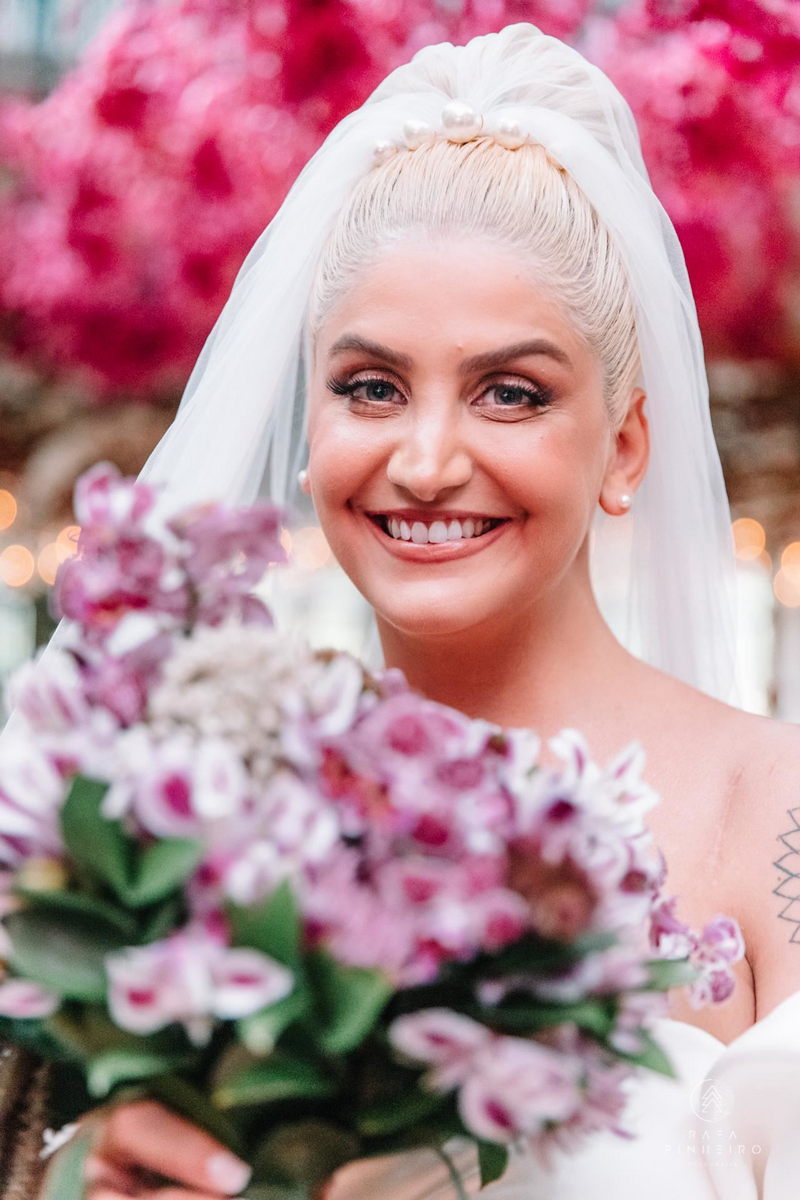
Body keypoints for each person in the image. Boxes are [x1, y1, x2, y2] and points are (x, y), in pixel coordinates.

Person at [45, 21, 800, 1200]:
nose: (427, 461)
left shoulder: (770, 812)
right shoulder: (202, 812)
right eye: (370, 388)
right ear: (308, 427)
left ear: (622, 446)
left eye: (510, 393)